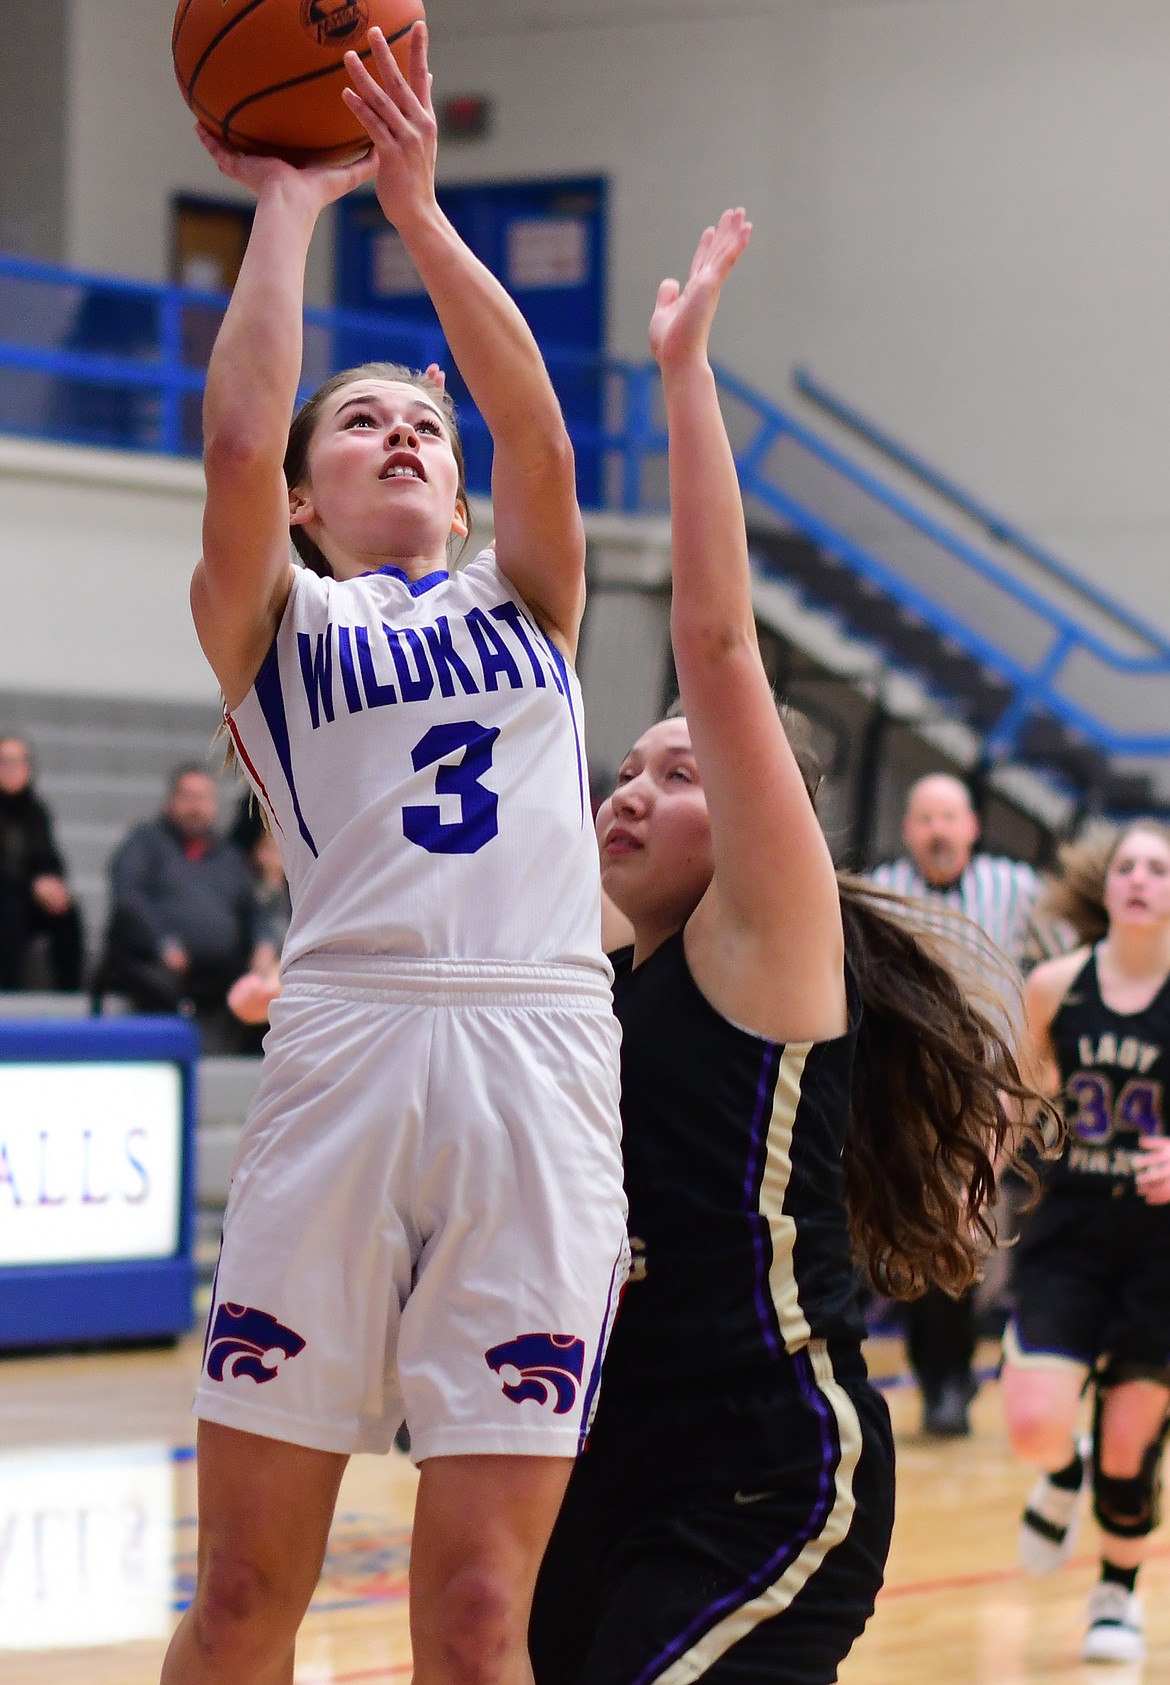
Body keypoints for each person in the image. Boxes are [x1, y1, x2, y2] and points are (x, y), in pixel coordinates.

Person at [161, 24, 627, 1685]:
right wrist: (289, 203)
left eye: (417, 424)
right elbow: (228, 450)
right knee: (237, 1597)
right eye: (357, 426)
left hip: (540, 1050)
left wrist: (420, 211)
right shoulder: (274, 621)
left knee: (484, 1610)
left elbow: (542, 436)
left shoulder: (534, 597)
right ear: (305, 498)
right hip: (350, 1040)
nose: (406, 437)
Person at [529, 211, 1045, 1685]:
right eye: (625, 768)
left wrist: (682, 375)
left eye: (681, 774)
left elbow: (718, 640)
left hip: (764, 1470)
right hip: (604, 1456)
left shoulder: (765, 943)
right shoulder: (592, 969)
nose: (632, 789)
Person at [1002, 820, 1170, 1665]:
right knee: (1035, 1426)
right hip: (1071, 1228)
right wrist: (970, 1182)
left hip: (1161, 1249)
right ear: (1107, 888)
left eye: (1159, 868)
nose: (1140, 879)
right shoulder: (1056, 986)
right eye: (1128, 867)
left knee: (1132, 1443)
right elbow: (1017, 1102)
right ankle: (1057, 1473)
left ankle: (1116, 1590)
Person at [868, 773, 1048, 1435]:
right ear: (909, 829)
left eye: (949, 817)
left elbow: (1058, 968)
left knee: (967, 1228)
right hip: (908, 1086)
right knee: (922, 1230)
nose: (939, 831)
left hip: (989, 1089)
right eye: (925, 818)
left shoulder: (1018, 888)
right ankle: (941, 1376)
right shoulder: (885, 886)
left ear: (972, 826)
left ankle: (953, 1379)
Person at [94, 764, 262, 1052]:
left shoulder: (228, 855)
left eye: (204, 798)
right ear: (170, 800)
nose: (196, 807)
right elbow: (128, 897)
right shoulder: (145, 843)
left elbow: (253, 909)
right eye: (189, 797)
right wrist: (162, 942)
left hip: (219, 974)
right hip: (156, 967)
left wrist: (264, 943)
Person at [0, 733, 84, 991]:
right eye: (4, 761)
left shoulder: (37, 811)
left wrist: (54, 885)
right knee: (10, 908)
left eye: (18, 762)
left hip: (28, 897)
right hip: (8, 896)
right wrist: (32, 886)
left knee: (66, 912)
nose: (11, 770)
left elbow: (49, 857)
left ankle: (71, 992)